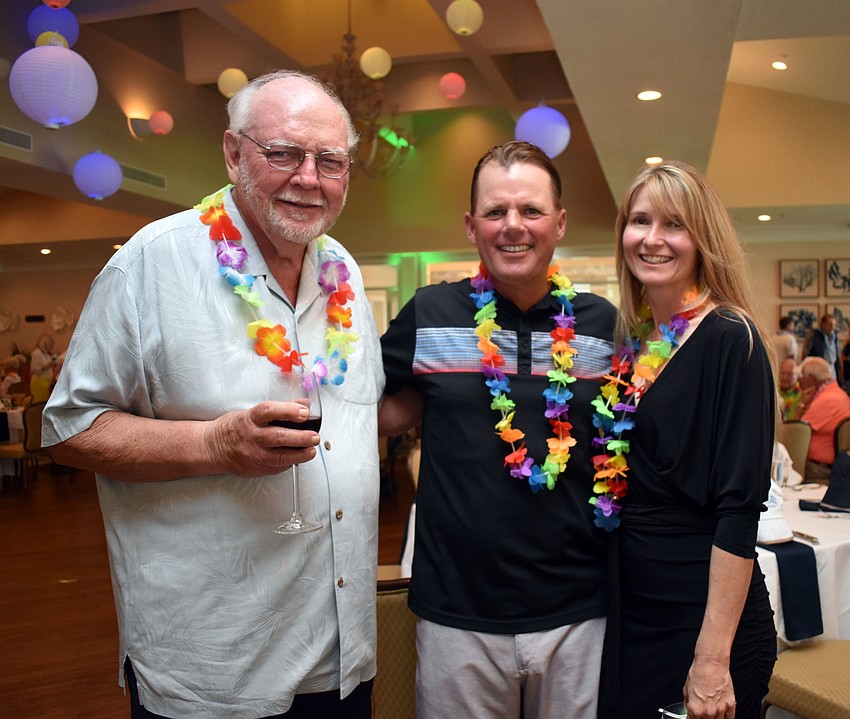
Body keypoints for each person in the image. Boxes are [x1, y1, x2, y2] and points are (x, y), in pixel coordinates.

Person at [42, 70, 384, 719]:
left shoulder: (342, 271)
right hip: (218, 668)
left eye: (330, 161)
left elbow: (361, 413)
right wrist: (211, 441)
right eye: (284, 153)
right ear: (233, 152)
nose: (309, 177)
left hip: (339, 656)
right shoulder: (153, 262)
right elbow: (69, 428)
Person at [380, 141, 616, 719]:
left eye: (531, 211)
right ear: (471, 225)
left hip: (579, 610)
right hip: (457, 612)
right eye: (495, 211)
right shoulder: (429, 312)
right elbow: (362, 409)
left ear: (559, 223)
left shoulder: (602, 325)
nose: (514, 226)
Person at [595, 160, 776, 719]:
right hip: (636, 613)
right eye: (640, 221)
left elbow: (739, 511)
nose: (651, 239)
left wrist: (711, 660)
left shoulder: (730, 338)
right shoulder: (642, 343)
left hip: (702, 625)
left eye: (673, 224)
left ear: (702, 239)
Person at [797, 356, 850, 481]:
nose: (799, 381)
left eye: (801, 377)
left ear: (811, 379)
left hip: (817, 468)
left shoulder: (826, 400)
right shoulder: (838, 393)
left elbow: (795, 432)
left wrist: (802, 404)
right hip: (837, 464)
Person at [805, 313, 841, 379]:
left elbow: (837, 351)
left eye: (834, 325)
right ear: (823, 324)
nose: (833, 327)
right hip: (818, 366)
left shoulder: (834, 335)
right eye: (830, 324)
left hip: (832, 365)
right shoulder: (814, 335)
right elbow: (806, 351)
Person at [29, 332, 56, 401]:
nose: (52, 345)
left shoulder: (45, 353)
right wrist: (47, 366)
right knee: (40, 403)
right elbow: (34, 369)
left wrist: (52, 352)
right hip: (39, 381)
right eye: (50, 343)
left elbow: (55, 359)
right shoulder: (37, 353)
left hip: (46, 381)